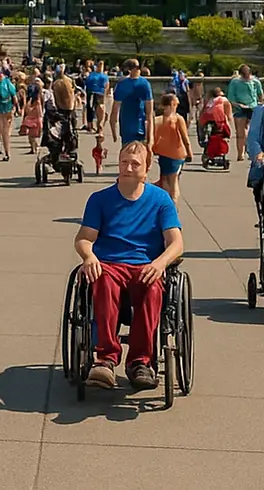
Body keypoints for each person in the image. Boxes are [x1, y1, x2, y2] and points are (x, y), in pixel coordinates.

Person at [75, 141, 184, 390]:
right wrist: (89, 257)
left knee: (153, 288)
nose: (128, 167)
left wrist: (160, 263)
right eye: (124, 162)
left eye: (135, 163)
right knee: (100, 280)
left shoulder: (160, 200)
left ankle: (140, 361)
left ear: (147, 169)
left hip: (144, 265)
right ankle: (105, 359)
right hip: (109, 265)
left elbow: (176, 242)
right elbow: (84, 237)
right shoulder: (100, 199)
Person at [150, 92, 193, 202]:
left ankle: (166, 204)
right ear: (172, 104)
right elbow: (185, 138)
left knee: (164, 180)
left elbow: (152, 138)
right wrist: (189, 153)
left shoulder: (157, 120)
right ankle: (173, 205)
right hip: (177, 154)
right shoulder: (178, 119)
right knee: (174, 182)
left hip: (163, 153)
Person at [109, 59, 155, 146]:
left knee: (127, 156)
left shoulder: (121, 85)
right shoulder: (145, 84)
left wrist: (114, 132)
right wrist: (150, 136)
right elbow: (149, 113)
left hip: (126, 127)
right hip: (141, 127)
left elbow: (114, 112)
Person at [227, 64, 264, 162]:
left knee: (249, 131)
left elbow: (261, 95)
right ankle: (241, 154)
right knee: (241, 132)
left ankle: (245, 151)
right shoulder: (235, 82)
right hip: (240, 107)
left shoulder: (255, 81)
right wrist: (238, 105)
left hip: (252, 107)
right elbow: (231, 97)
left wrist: (260, 105)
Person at [20, 72, 45, 154]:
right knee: (33, 136)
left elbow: (29, 109)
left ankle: (34, 148)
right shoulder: (39, 99)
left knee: (31, 136)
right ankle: (34, 148)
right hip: (36, 118)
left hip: (33, 119)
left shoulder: (34, 101)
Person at [84, 61, 109, 133]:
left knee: (100, 109)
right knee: (90, 108)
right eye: (100, 65)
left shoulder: (104, 76)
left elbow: (107, 85)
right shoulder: (92, 75)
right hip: (91, 93)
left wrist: (105, 95)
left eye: (102, 65)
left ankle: (99, 125)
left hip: (100, 93)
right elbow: (87, 84)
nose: (101, 67)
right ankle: (90, 124)